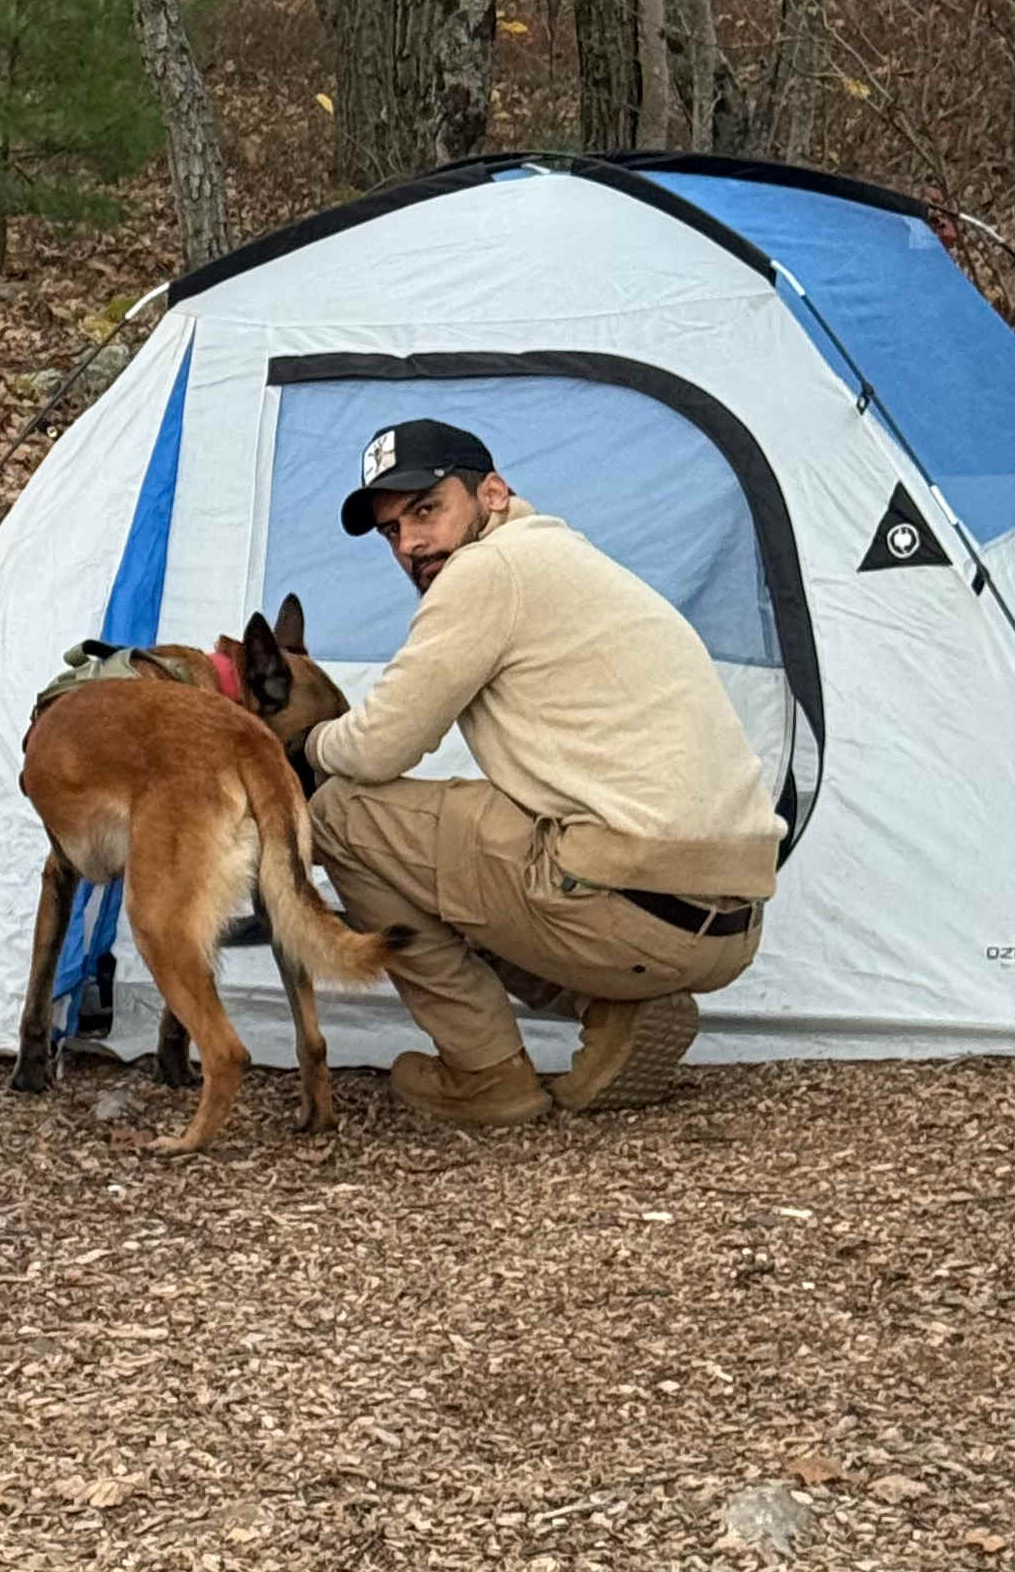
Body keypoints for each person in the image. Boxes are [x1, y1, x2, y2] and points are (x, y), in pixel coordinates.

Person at [302, 419, 783, 1129]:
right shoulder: (566, 559)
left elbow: (377, 749)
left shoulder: (485, 572)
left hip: (632, 911)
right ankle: (619, 1008)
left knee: (345, 815)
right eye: (391, 531)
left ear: (492, 492)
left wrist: (304, 742)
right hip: (729, 922)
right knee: (463, 846)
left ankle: (485, 1072)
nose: (410, 545)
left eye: (427, 509)